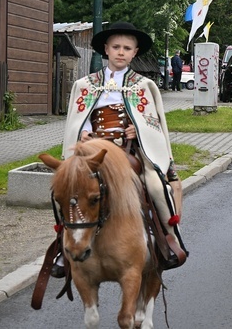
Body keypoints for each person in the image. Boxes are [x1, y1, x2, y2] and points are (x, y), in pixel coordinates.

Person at [54, 22, 187, 276]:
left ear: (135, 52)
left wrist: (139, 130)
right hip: (92, 150)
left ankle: (170, 239)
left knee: (156, 185)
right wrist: (83, 132)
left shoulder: (143, 86)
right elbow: (77, 118)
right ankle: (63, 246)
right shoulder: (86, 85)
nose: (121, 52)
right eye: (116, 47)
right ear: (106, 49)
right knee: (67, 187)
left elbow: (153, 121)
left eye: (127, 48)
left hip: (129, 150)